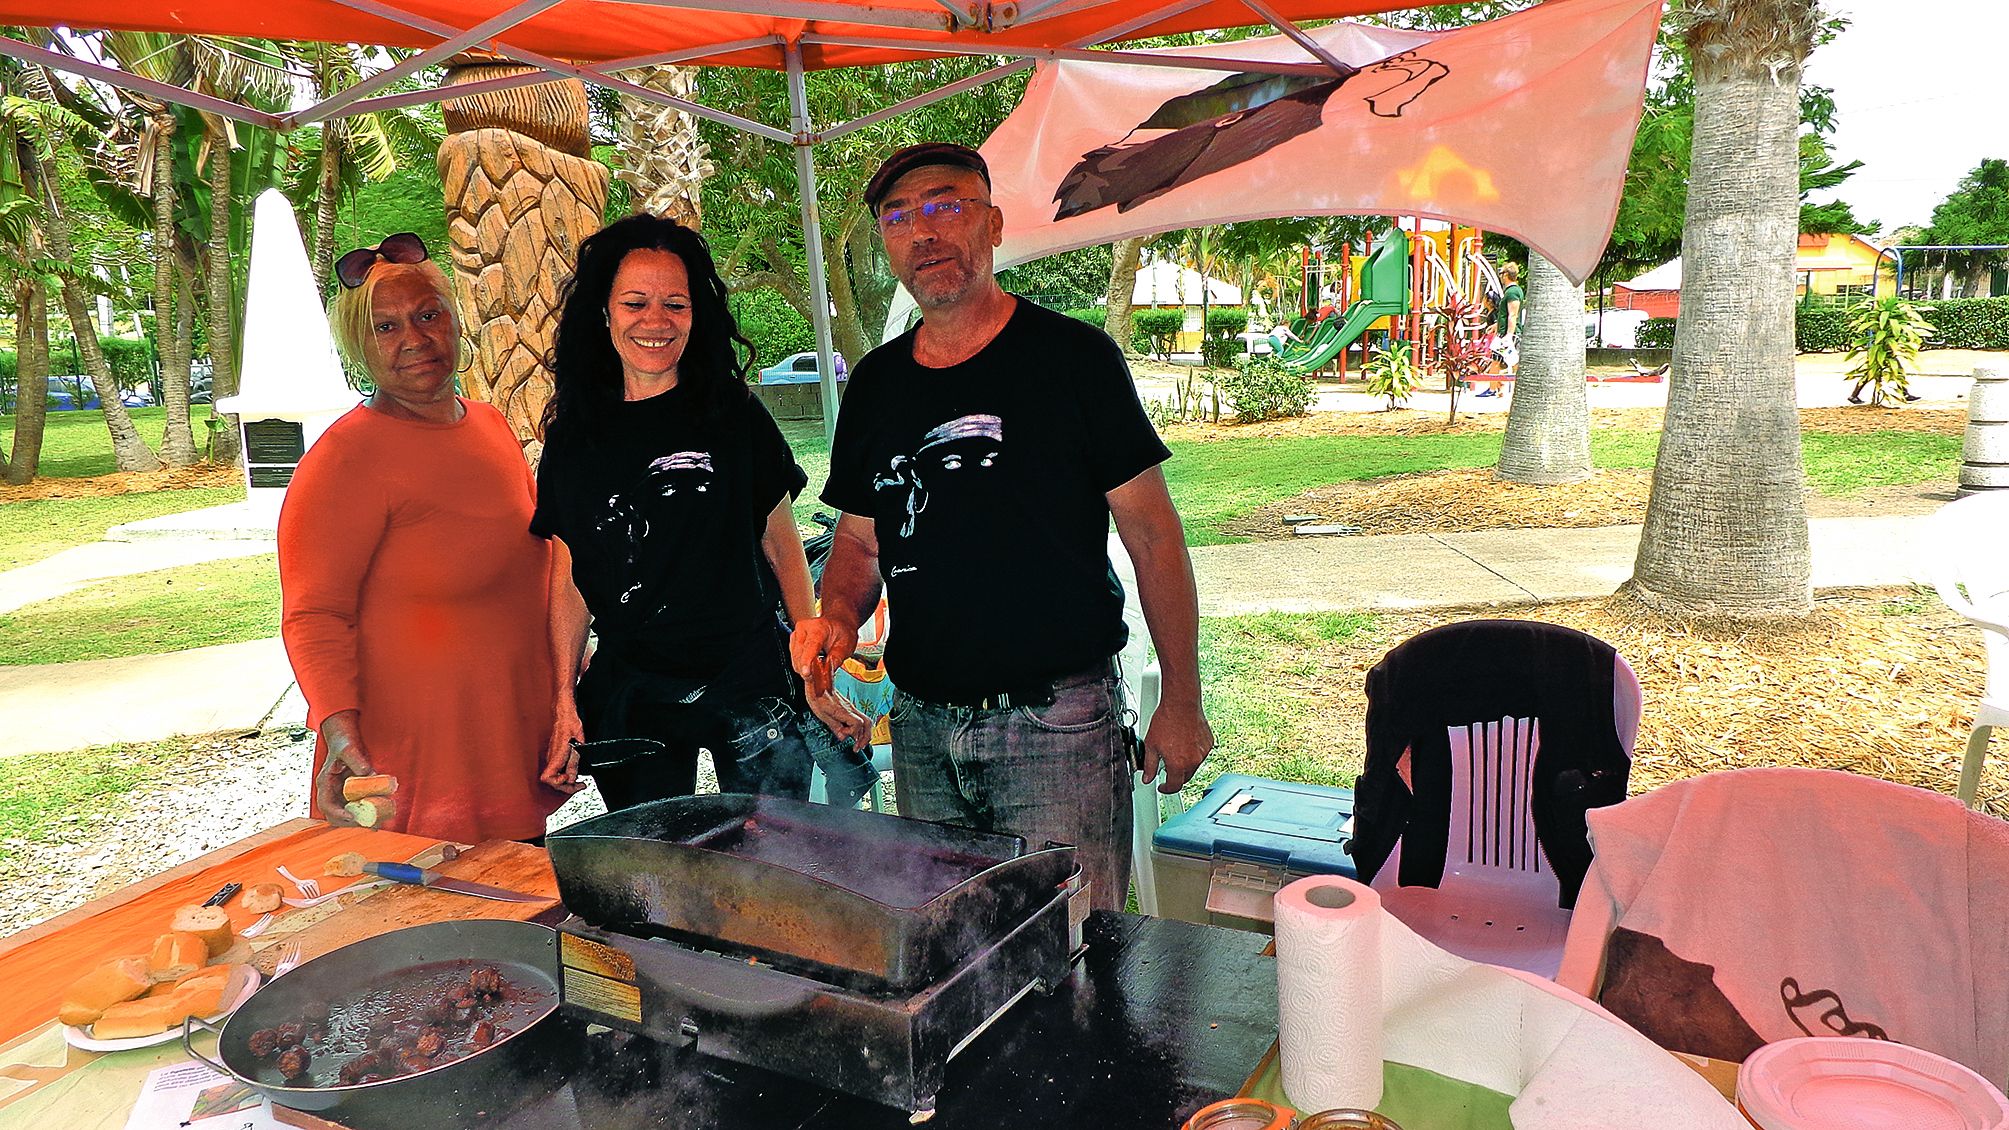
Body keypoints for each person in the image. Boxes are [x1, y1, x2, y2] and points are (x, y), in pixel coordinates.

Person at [790, 142, 1214, 911]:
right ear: (886, 246)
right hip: (920, 727)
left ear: (992, 225)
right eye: (899, 216)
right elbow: (858, 536)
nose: (924, 232)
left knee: (1075, 951)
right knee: (946, 947)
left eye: (946, 205)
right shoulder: (877, 385)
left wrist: (1180, 699)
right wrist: (838, 620)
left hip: (1055, 724)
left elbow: (1153, 535)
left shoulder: (1072, 360)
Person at [531, 214, 868, 812]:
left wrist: (810, 664)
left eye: (676, 305)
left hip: (749, 675)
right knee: (654, 866)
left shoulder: (733, 414)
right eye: (635, 303)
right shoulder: (577, 437)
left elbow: (780, 541)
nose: (656, 322)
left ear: (696, 315)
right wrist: (562, 697)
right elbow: (570, 573)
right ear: (603, 313)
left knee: (772, 858)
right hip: (634, 684)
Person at [278, 233, 566, 843]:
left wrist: (566, 691)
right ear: (360, 344)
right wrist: (338, 734)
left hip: (503, 740)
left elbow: (536, 562)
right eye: (386, 327)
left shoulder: (489, 424)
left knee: (517, 912)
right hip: (411, 761)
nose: (414, 339)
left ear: (456, 319)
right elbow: (314, 615)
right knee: (426, 927)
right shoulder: (344, 457)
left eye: (429, 314)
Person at [1475, 261, 1522, 398]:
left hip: (1507, 335)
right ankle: (1494, 387)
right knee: (1499, 360)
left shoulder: (1513, 292)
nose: (1501, 276)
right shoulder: (1510, 291)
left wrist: (1508, 335)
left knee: (1511, 361)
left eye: (1501, 273)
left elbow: (1513, 314)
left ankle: (1495, 388)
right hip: (1503, 333)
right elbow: (1506, 314)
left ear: (1506, 275)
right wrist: (1496, 326)